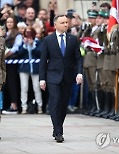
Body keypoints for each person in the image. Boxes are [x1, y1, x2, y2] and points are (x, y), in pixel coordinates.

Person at [39, 14, 83, 143]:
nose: (65, 25)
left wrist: (79, 73)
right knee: (55, 101)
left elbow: (78, 58)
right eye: (62, 22)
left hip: (68, 77)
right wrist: (42, 79)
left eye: (66, 22)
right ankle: (58, 131)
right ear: (56, 25)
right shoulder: (48, 40)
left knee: (63, 104)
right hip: (52, 76)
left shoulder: (73, 39)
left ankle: (57, 127)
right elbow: (43, 61)